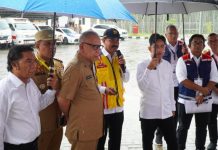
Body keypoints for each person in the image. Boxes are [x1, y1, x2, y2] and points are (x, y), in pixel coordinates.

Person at [0, 45, 58, 150]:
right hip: (14, 147)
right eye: (28, 61)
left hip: (33, 143)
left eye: (34, 61)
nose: (34, 65)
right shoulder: (4, 89)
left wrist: (51, 90)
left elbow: (38, 104)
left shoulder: (30, 82)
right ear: (14, 64)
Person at [57, 30, 103, 150]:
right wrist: (70, 116)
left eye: (100, 46)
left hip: (90, 128)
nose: (98, 50)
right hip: (83, 128)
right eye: (94, 46)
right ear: (82, 46)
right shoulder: (75, 68)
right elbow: (63, 100)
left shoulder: (88, 63)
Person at [176, 34, 218, 150]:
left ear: (204, 45)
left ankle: (200, 148)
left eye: (201, 43)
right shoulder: (182, 60)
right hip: (185, 100)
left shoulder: (210, 59)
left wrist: (203, 93)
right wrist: (201, 90)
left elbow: (214, 78)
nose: (198, 45)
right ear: (189, 45)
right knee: (183, 127)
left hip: (204, 100)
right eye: (195, 42)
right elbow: (183, 80)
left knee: (202, 128)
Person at [136, 33, 177, 150]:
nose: (159, 50)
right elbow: (142, 87)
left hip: (166, 111)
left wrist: (173, 108)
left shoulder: (167, 65)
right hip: (149, 112)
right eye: (156, 46)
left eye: (162, 46)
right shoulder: (142, 65)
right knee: (147, 144)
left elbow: (170, 88)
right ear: (149, 48)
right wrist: (149, 68)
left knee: (173, 143)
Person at [95, 28, 130, 150]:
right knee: (99, 143)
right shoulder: (96, 58)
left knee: (115, 143)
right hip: (102, 109)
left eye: (117, 40)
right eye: (111, 40)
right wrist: (104, 90)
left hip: (118, 107)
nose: (115, 43)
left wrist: (123, 66)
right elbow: (91, 85)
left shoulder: (119, 57)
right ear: (103, 41)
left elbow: (126, 79)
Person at [155, 24, 188, 147]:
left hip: (180, 84)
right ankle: (159, 134)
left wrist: (185, 53)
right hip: (166, 84)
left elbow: (187, 62)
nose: (174, 36)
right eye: (171, 33)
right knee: (165, 109)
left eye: (175, 33)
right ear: (166, 35)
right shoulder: (161, 47)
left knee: (177, 112)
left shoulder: (182, 45)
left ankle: (172, 136)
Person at [32, 30, 64, 150]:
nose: (52, 47)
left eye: (54, 43)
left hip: (58, 122)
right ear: (37, 45)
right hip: (40, 124)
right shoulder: (30, 66)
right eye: (47, 44)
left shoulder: (58, 65)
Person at [206, 33, 218, 150]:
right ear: (208, 44)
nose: (214, 43)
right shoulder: (207, 57)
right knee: (211, 119)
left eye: (216, 40)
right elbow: (205, 77)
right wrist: (215, 89)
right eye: (211, 41)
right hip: (213, 93)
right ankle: (213, 141)